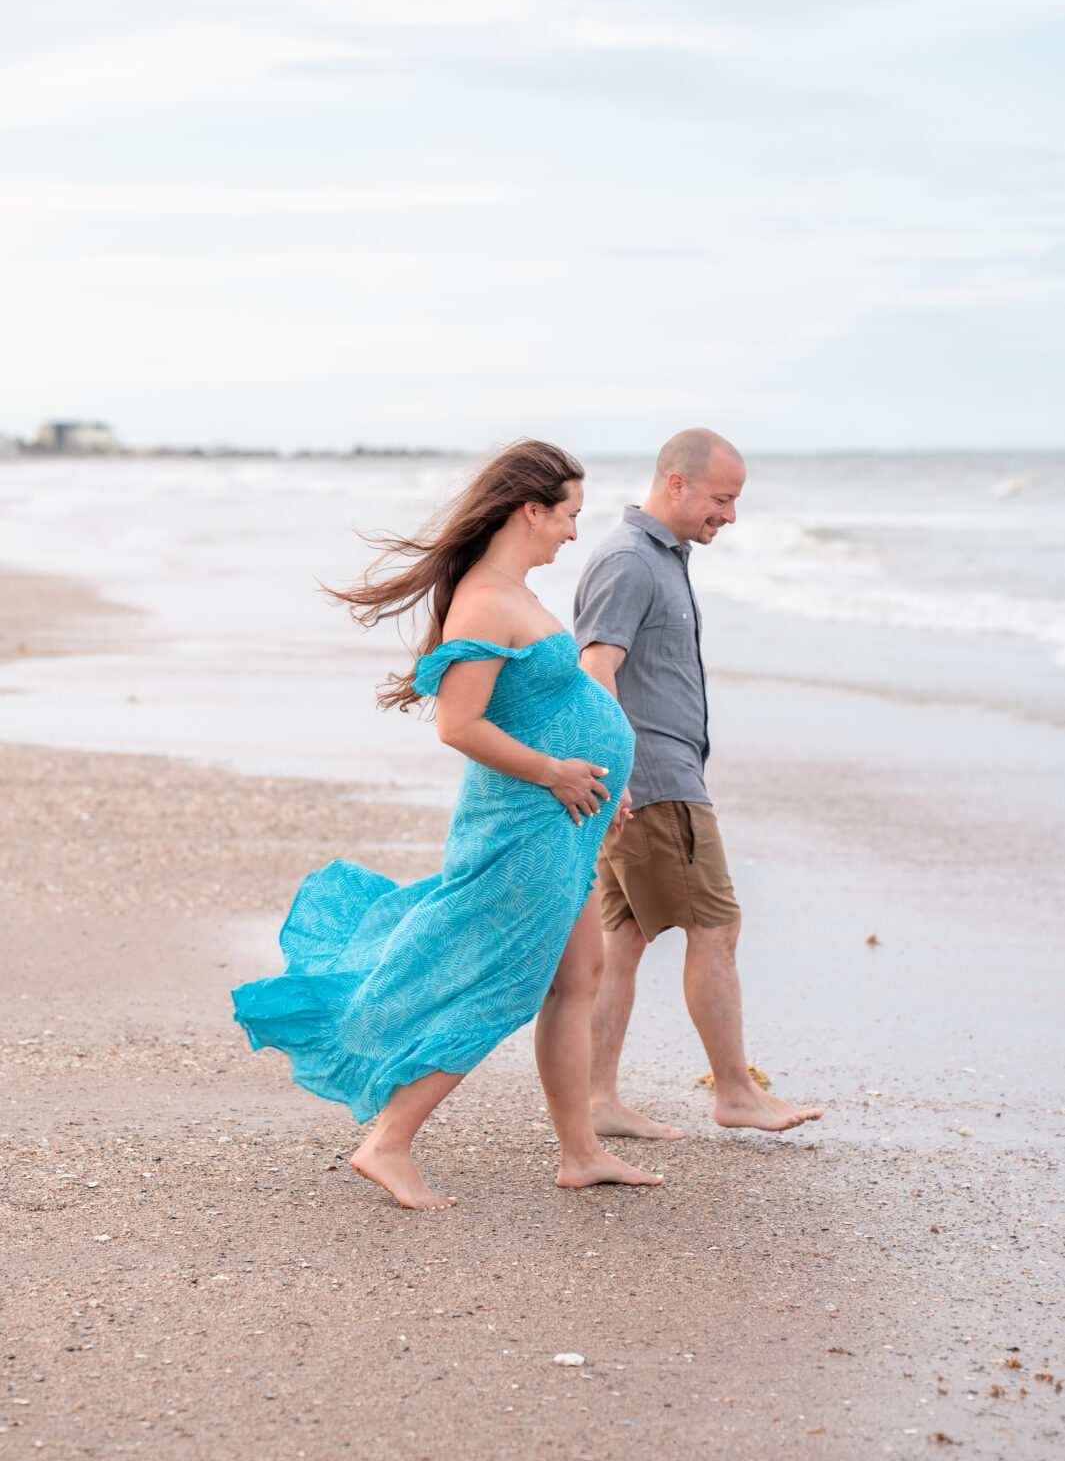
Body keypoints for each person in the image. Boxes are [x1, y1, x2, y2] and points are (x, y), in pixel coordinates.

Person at [233, 440, 661, 1210]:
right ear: (530, 509)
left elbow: (551, 707)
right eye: (567, 516)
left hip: (567, 820)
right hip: (526, 827)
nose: (572, 533)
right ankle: (387, 1142)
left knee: (576, 980)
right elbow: (457, 725)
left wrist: (604, 780)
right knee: (498, 984)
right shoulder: (486, 600)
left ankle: (580, 1152)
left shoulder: (512, 590)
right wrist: (557, 771)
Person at [575, 427, 823, 1138]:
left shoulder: (657, 558)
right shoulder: (630, 560)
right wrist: (613, 771)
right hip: (653, 779)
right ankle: (736, 1093)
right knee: (716, 927)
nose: (730, 515)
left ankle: (595, 1101)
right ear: (675, 483)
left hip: (643, 774)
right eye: (722, 498)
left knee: (619, 941)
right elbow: (596, 668)